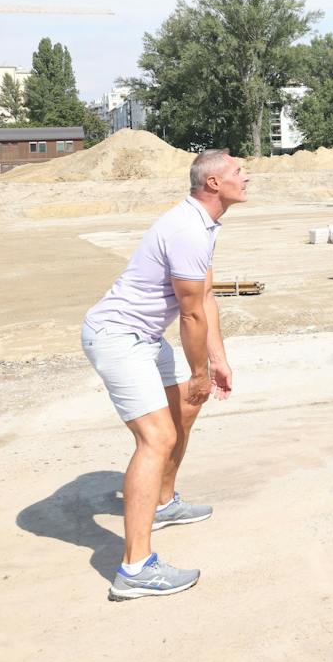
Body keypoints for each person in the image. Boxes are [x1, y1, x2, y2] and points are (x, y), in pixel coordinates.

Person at [80, 149, 245, 599]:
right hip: (118, 336)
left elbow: (205, 296)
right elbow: (190, 315)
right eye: (237, 172)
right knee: (157, 438)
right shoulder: (188, 228)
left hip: (144, 337)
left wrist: (218, 360)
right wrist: (198, 369)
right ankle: (135, 570)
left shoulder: (204, 224)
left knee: (187, 406)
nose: (245, 178)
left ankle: (164, 503)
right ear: (213, 183)